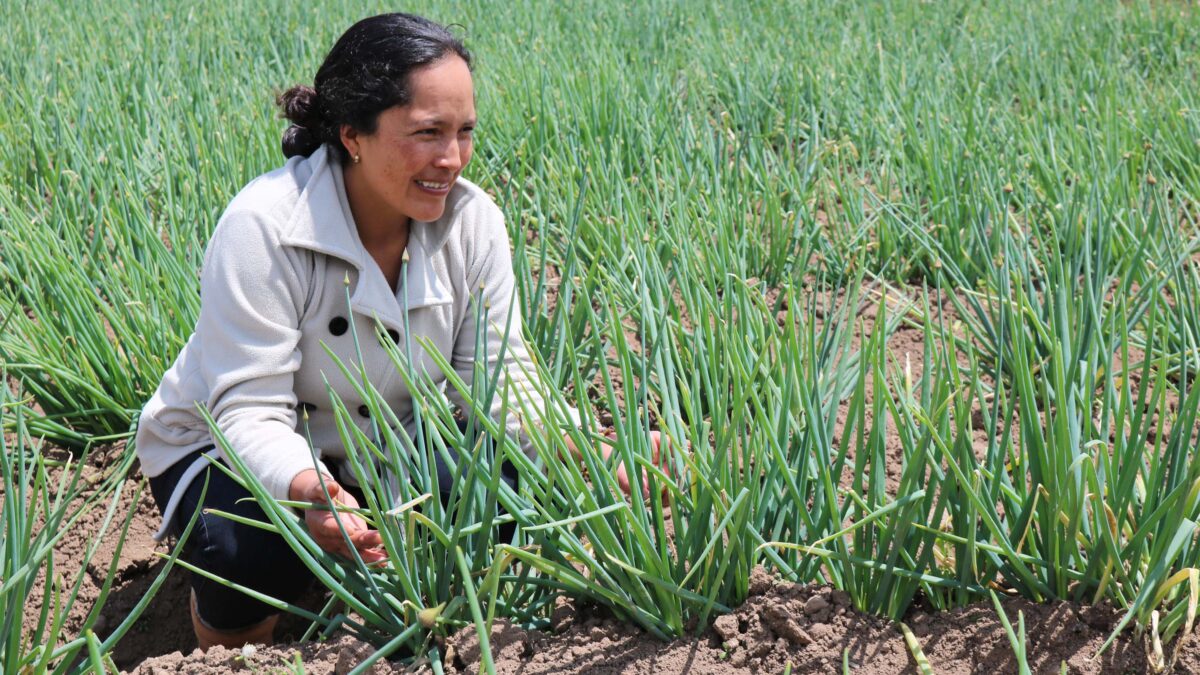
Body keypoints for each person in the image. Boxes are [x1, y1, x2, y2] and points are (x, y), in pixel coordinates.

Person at [136, 12, 666, 651]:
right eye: (427, 132)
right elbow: (247, 411)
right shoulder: (265, 226)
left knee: (496, 496)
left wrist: (588, 451)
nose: (451, 158)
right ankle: (231, 652)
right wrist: (310, 488)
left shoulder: (472, 223)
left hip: (390, 440)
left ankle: (408, 639)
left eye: (464, 131)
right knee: (245, 545)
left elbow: (499, 382)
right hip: (229, 444)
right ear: (352, 132)